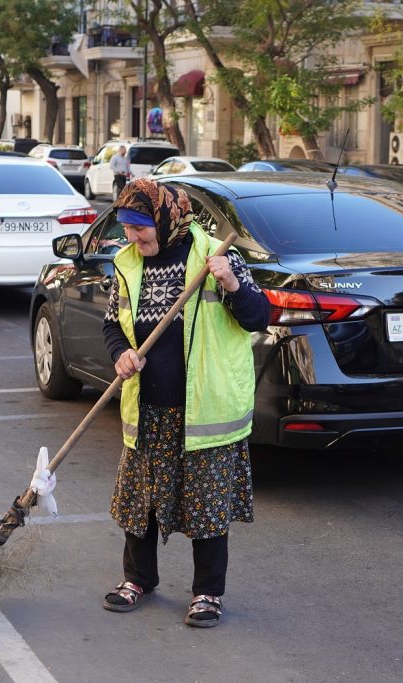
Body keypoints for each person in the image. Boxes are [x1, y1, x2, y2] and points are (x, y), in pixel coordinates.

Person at [101, 178, 270, 628]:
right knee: (140, 502)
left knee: (207, 504)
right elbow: (113, 324)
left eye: (140, 229)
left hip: (206, 410)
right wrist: (121, 353)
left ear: (165, 221)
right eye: (127, 228)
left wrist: (231, 282)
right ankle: (137, 579)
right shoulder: (126, 263)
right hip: (147, 407)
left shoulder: (216, 256)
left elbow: (259, 317)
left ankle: (207, 593)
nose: (132, 238)